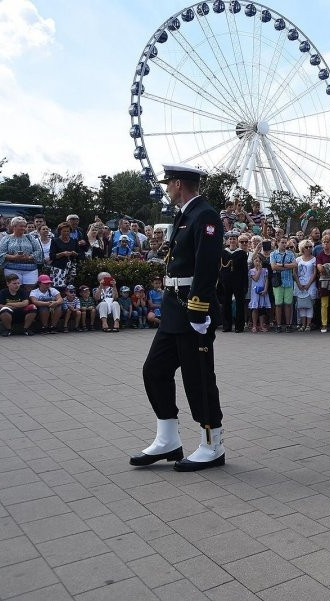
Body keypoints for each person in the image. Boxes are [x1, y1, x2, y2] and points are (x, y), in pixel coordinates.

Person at [133, 163, 225, 472]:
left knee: (198, 379)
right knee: (154, 370)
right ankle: (168, 440)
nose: (167, 189)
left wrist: (198, 309)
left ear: (178, 184)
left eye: (168, 183)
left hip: (192, 309)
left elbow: (207, 266)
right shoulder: (186, 215)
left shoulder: (205, 215)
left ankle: (212, 445)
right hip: (175, 307)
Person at [0, 216, 44, 294]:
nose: (23, 228)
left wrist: (29, 257)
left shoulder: (30, 238)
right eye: (21, 226)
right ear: (14, 226)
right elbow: (0, 254)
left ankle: (27, 302)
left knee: (29, 290)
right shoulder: (6, 238)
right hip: (12, 268)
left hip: (30, 269)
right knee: (15, 289)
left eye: (24, 226)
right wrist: (14, 257)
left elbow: (38, 251)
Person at [219, 231, 248, 332]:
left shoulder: (242, 253)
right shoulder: (223, 253)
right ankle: (227, 326)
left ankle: (239, 326)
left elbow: (244, 270)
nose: (232, 241)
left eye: (234, 239)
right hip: (226, 281)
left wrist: (245, 284)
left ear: (237, 241)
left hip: (238, 281)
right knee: (226, 303)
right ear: (228, 241)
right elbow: (220, 268)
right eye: (230, 239)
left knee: (239, 303)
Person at [270, 236, 297, 332]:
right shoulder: (273, 254)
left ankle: (288, 325)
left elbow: (294, 264)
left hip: (288, 282)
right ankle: (278, 325)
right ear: (278, 243)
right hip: (278, 282)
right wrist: (287, 266)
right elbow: (273, 267)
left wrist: (282, 265)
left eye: (285, 243)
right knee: (278, 304)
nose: (284, 244)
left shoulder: (290, 254)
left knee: (288, 304)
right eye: (282, 242)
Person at [293, 238, 317, 330]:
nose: (309, 248)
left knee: (309, 305)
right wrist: (299, 284)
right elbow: (294, 272)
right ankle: (303, 325)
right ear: (302, 248)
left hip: (310, 284)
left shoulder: (314, 259)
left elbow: (314, 273)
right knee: (302, 305)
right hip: (300, 284)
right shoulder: (298, 259)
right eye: (306, 247)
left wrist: (308, 284)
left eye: (310, 247)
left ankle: (308, 325)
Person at [49, 222, 80, 288]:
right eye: (64, 231)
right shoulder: (55, 241)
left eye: (68, 231)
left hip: (71, 267)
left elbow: (79, 254)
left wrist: (75, 253)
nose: (66, 233)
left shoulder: (74, 241)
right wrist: (63, 254)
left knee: (70, 287)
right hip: (59, 267)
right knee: (59, 287)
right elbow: (52, 256)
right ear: (60, 231)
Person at [248, 254, 271, 332]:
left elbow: (266, 280)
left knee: (262, 308)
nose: (258, 262)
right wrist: (259, 270)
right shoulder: (252, 271)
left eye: (259, 261)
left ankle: (261, 325)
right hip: (255, 292)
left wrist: (265, 289)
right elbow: (256, 278)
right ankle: (254, 325)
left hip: (263, 291)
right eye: (256, 261)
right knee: (255, 308)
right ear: (253, 262)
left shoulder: (265, 270)